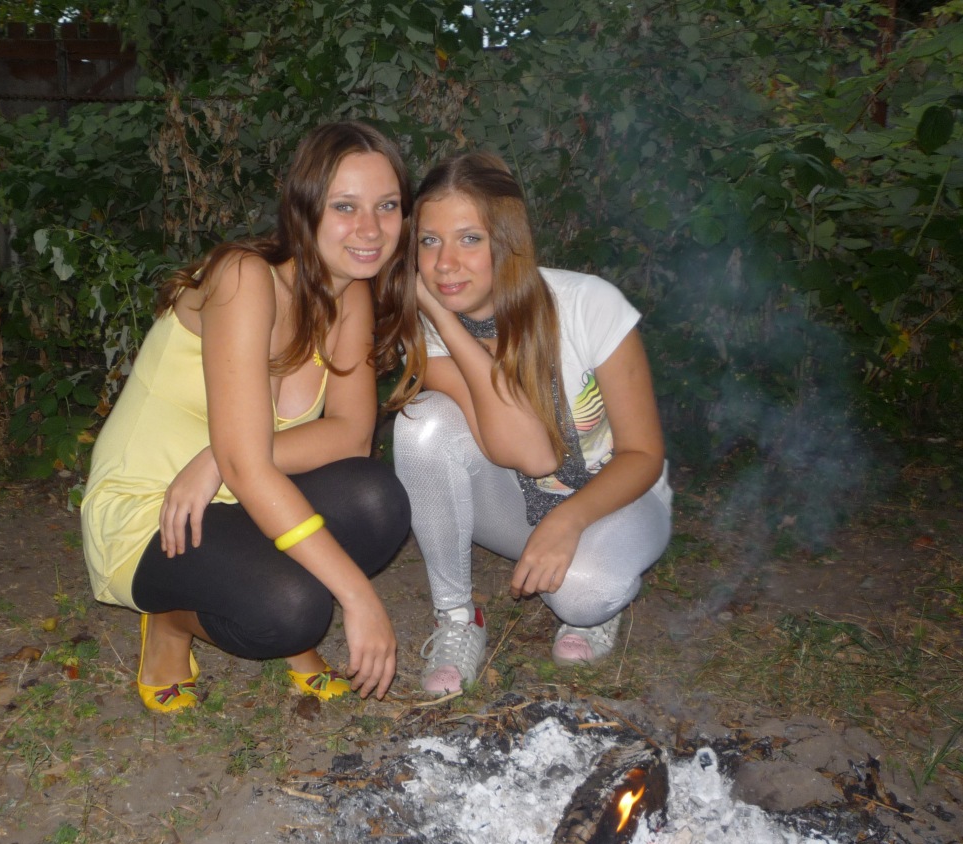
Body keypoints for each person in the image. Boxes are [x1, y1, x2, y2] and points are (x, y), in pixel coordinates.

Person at [81, 121, 413, 713]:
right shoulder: (243, 277)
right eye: (345, 206)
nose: (370, 229)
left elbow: (351, 436)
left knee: (375, 498)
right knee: (291, 611)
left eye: (387, 206)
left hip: (238, 493)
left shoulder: (350, 294)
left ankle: (259, 580)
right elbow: (249, 465)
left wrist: (220, 458)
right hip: (154, 508)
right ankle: (171, 622)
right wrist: (358, 596)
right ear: (303, 208)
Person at [380, 152, 672, 695]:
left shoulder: (587, 304)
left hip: (621, 499)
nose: (445, 263)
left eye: (470, 239)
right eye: (429, 241)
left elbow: (643, 455)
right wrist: (442, 318)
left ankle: (597, 596)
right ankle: (457, 617)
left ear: (508, 241)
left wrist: (570, 521)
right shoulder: (428, 331)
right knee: (422, 421)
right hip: (517, 503)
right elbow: (533, 455)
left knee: (583, 597)